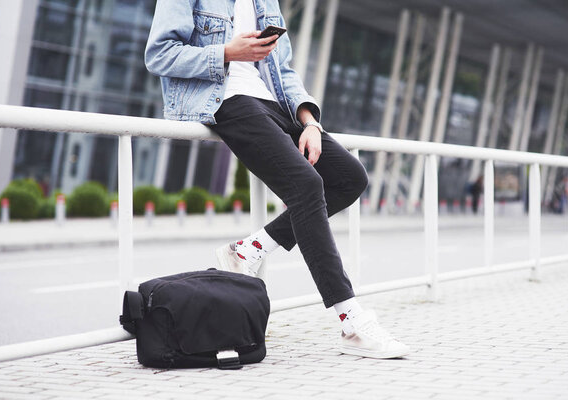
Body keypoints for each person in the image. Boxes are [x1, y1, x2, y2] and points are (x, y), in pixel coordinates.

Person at [145, 0, 410, 359]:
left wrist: (310, 122)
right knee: (306, 185)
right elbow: (159, 55)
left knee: (350, 177)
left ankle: (249, 249)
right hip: (225, 99)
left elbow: (282, 69)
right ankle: (351, 321)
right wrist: (226, 52)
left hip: (274, 105)